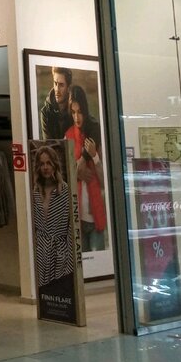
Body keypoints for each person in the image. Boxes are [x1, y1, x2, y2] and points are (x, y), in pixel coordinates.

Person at [65, 85, 106, 251]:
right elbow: (64, 179)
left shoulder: (95, 134)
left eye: (80, 112)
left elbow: (104, 182)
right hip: (77, 219)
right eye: (73, 112)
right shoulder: (68, 136)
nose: (76, 117)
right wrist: (78, 173)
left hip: (95, 218)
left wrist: (94, 156)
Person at [31, 145, 75, 288]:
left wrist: (69, 259)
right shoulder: (35, 192)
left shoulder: (64, 190)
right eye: (42, 164)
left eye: (48, 163)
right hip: (40, 253)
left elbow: (71, 227)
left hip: (60, 253)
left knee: (59, 290)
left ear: (55, 165)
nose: (45, 167)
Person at [40, 67, 73, 140]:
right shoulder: (46, 112)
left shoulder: (75, 109)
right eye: (55, 83)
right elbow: (48, 144)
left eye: (61, 85)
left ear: (68, 88)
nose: (57, 89)